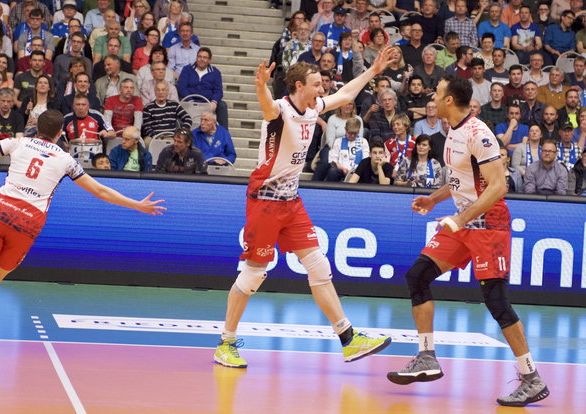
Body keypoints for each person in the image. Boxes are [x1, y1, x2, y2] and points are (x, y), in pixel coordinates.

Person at [0, 110, 164, 343]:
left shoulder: (19, 143)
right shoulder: (65, 159)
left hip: (1, 209)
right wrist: (137, 205)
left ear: (35, 126)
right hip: (29, 222)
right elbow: (99, 190)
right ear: (61, 133)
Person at [214, 52, 397, 370]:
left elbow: (347, 94)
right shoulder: (281, 110)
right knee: (254, 275)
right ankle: (226, 343)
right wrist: (261, 86)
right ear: (299, 86)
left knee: (319, 266)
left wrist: (373, 70)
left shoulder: (314, 108)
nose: (322, 89)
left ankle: (348, 339)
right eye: (316, 84)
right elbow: (268, 105)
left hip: (292, 202)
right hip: (265, 202)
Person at [387, 76, 549, 407]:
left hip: (488, 224)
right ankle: (427, 356)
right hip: (463, 223)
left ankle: (531, 377)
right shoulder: (450, 133)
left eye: (439, 92)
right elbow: (460, 181)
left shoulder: (479, 134)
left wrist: (460, 219)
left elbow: (498, 186)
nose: (433, 95)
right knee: (417, 276)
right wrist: (434, 199)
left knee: (496, 301)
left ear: (449, 101)